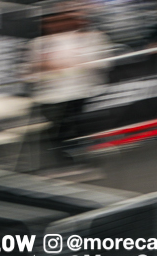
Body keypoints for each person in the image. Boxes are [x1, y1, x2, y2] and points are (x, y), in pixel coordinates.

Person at [26, 10, 112, 174]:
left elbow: (102, 62)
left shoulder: (91, 38)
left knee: (74, 127)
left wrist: (76, 63)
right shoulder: (38, 43)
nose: (54, 25)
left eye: (59, 21)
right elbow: (29, 71)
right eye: (49, 22)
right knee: (58, 130)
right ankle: (67, 161)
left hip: (83, 93)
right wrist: (43, 66)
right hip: (50, 96)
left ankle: (79, 159)